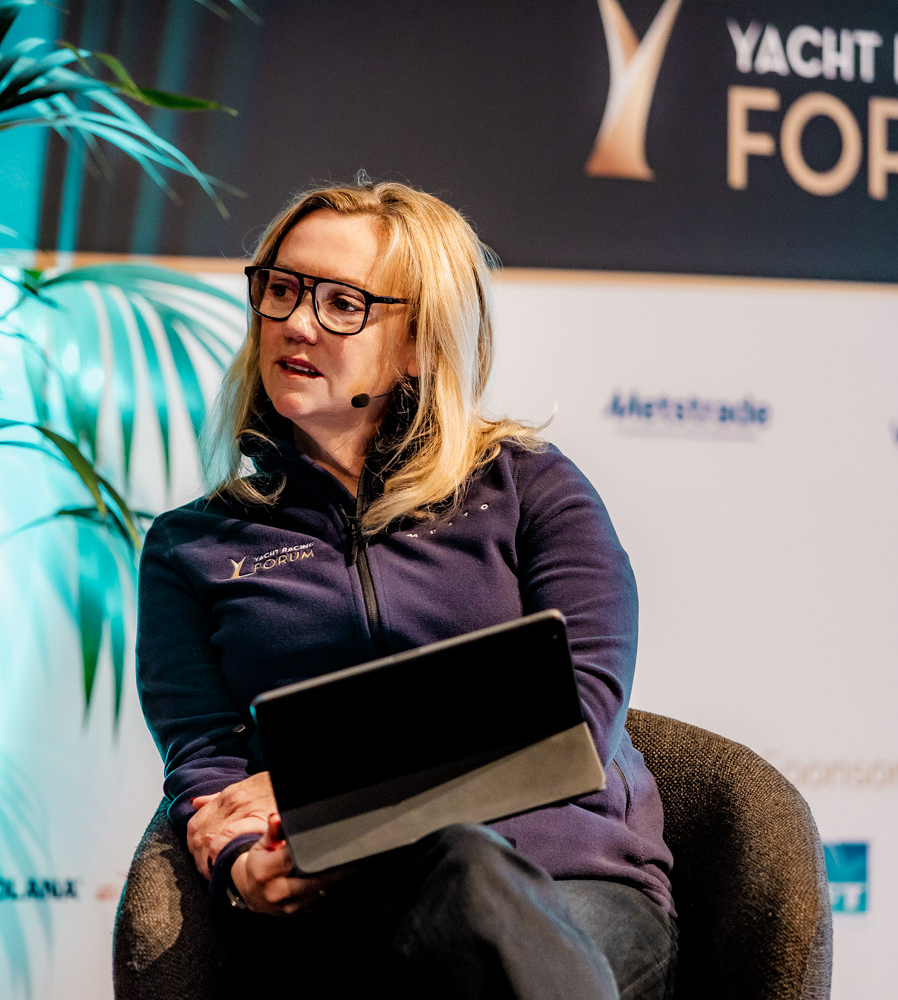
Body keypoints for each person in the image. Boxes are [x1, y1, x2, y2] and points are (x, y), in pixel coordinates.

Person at [135, 180, 676, 1000]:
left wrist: (324, 784)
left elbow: (573, 714)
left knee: (465, 876)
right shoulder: (194, 547)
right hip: (342, 912)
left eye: (342, 304)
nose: (297, 323)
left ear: (419, 344)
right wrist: (243, 866)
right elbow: (207, 763)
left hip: (567, 892)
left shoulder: (531, 488)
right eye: (282, 289)